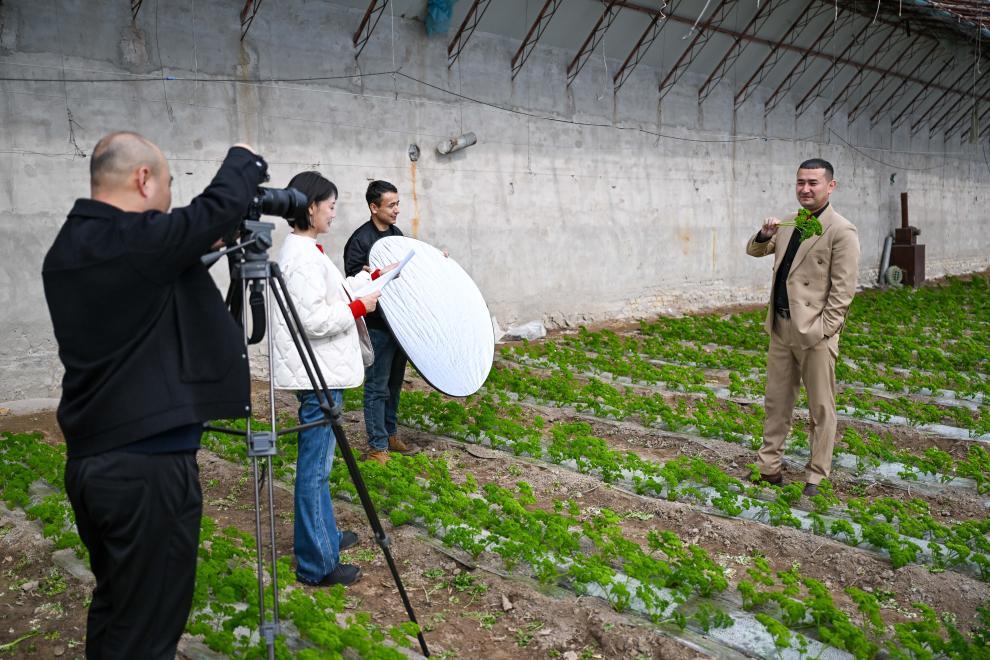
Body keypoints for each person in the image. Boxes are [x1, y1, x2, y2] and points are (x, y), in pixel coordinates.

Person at [41, 132, 267, 658]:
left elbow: (147, 288)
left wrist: (188, 253)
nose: (169, 199)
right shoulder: (134, 242)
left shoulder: (72, 247)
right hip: (147, 469)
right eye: (168, 185)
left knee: (120, 610)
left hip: (95, 464)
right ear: (143, 179)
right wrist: (244, 156)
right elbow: (212, 211)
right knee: (147, 634)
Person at [271, 171, 392, 586]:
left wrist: (373, 280)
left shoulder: (306, 251)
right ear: (311, 207)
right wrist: (359, 307)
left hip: (321, 370)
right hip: (317, 373)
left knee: (319, 465)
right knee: (314, 469)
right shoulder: (301, 256)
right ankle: (316, 564)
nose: (334, 214)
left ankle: (325, 537)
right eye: (331, 206)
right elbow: (313, 320)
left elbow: (330, 296)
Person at [745, 158, 860, 497]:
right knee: (776, 402)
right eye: (800, 183)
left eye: (813, 183)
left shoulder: (842, 230)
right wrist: (765, 233)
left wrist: (823, 330)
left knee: (821, 408)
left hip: (814, 334)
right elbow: (756, 250)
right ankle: (769, 468)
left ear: (830, 186)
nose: (805, 189)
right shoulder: (790, 221)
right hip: (781, 327)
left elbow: (843, 290)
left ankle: (816, 476)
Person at [342, 180, 415, 464]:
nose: (397, 210)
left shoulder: (396, 235)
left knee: (394, 383)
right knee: (376, 386)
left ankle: (390, 435)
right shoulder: (360, 240)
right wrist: (372, 273)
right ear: (374, 208)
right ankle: (377, 446)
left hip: (397, 324)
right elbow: (352, 284)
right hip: (376, 326)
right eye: (391, 205)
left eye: (398, 204)